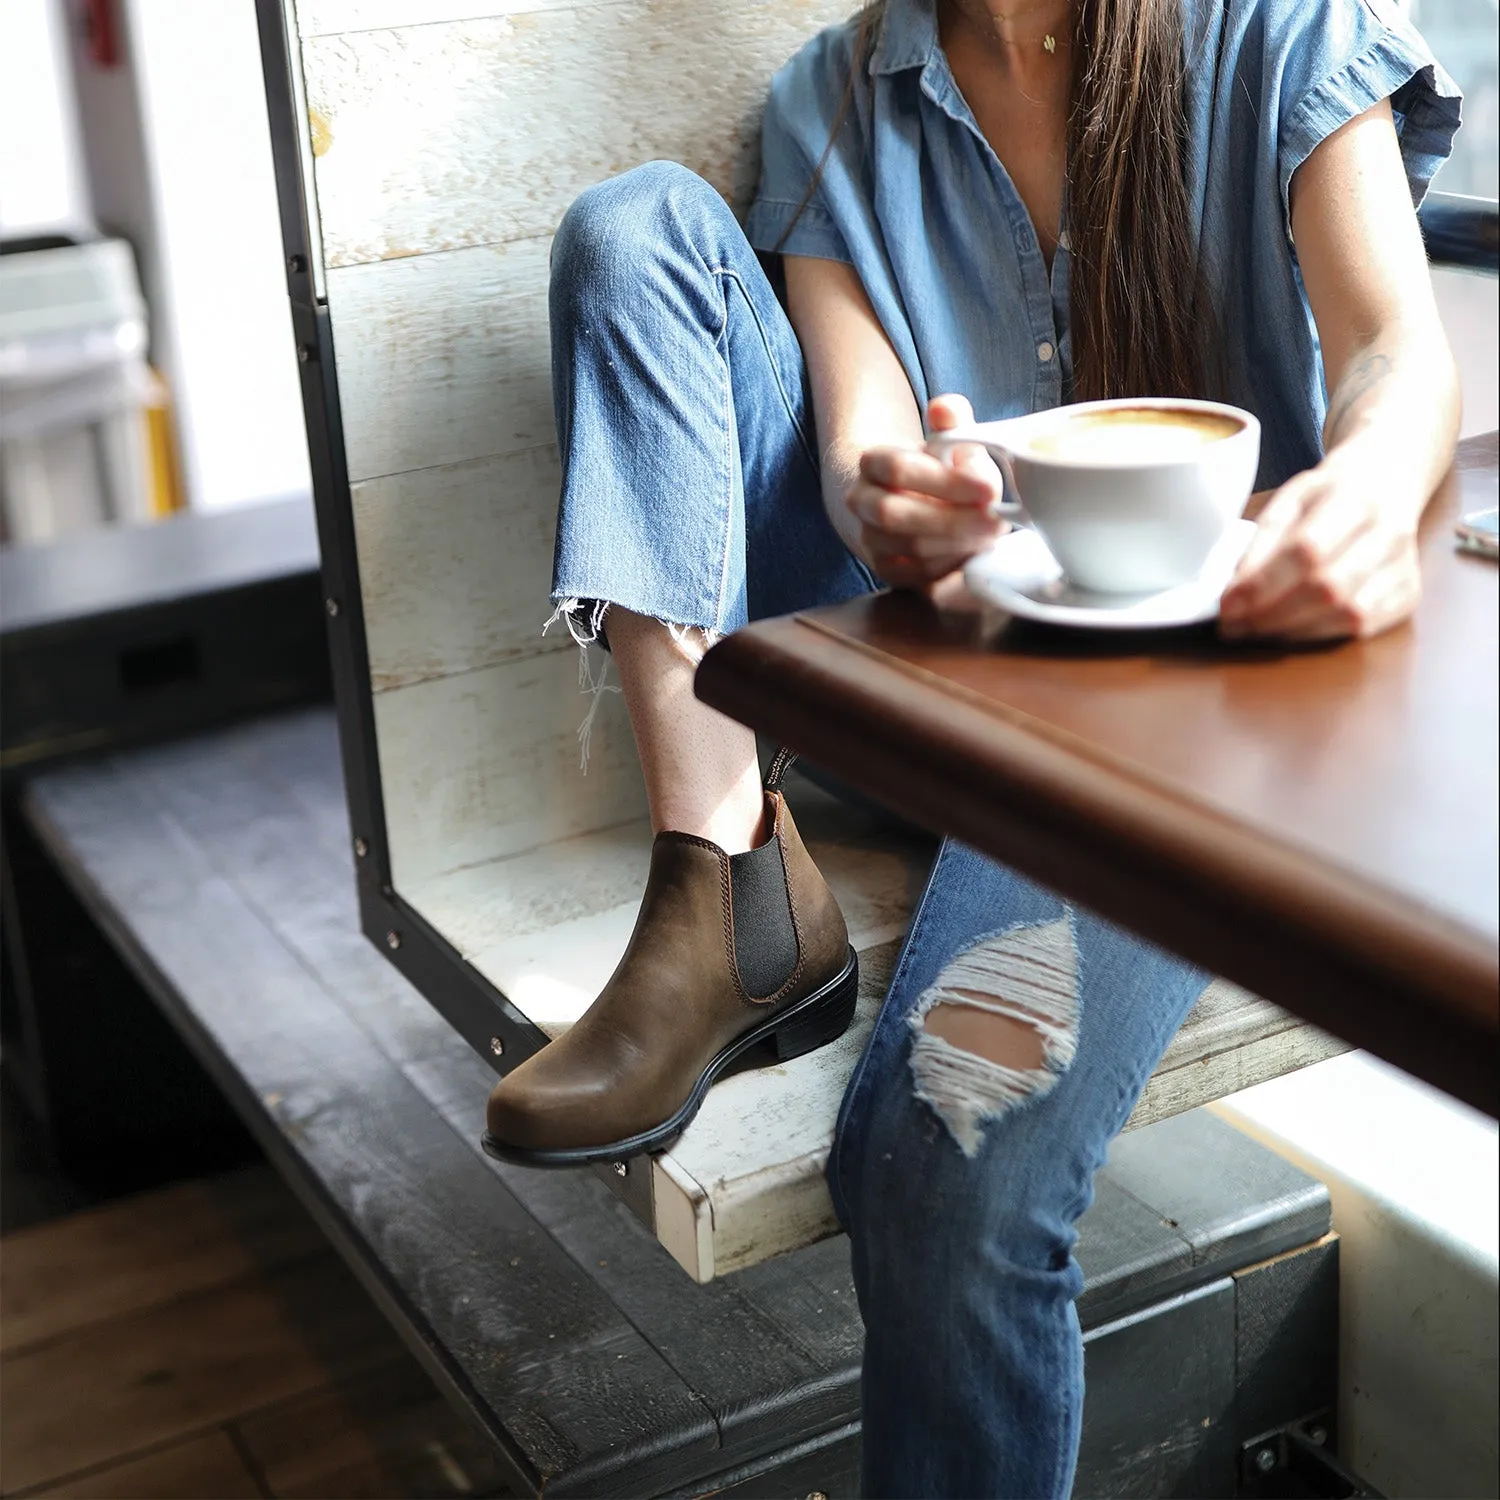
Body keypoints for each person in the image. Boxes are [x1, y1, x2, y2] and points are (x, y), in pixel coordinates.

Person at [483, 0, 1461, 1492]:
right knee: (638, 229)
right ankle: (730, 887)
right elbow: (862, 442)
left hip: (1179, 748)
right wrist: (898, 500)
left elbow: (1397, 348)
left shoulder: (1276, 28)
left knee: (945, 1151)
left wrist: (1376, 492)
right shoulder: (837, 96)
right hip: (923, 691)